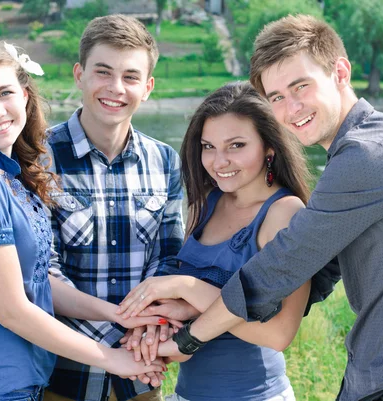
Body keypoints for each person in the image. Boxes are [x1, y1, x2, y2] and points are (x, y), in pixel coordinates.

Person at [131, 13, 383, 401]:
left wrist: (187, 335)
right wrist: (192, 310)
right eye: (277, 98)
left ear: (340, 72)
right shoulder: (370, 146)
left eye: (300, 86)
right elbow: (318, 269)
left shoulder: (368, 157)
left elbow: (282, 265)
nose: (291, 108)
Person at [0, 40, 166, 401]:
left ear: (25, 96)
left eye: (5, 93)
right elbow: (13, 312)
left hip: (20, 385)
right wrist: (113, 360)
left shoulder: (8, 175)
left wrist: (118, 315)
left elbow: (38, 285)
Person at [120, 81, 312, 401]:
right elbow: (201, 315)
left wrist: (184, 288)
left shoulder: (285, 213)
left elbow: (278, 334)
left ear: (269, 147)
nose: (219, 161)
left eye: (236, 146)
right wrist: (160, 324)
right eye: (209, 146)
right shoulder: (206, 202)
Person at [43, 15, 185, 401]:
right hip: (63, 376)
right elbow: (42, 276)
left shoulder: (166, 160)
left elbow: (168, 260)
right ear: (80, 74)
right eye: (103, 72)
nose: (116, 88)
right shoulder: (37, 159)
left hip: (141, 375)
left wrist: (146, 331)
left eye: (131, 77)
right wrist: (118, 341)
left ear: (148, 87)